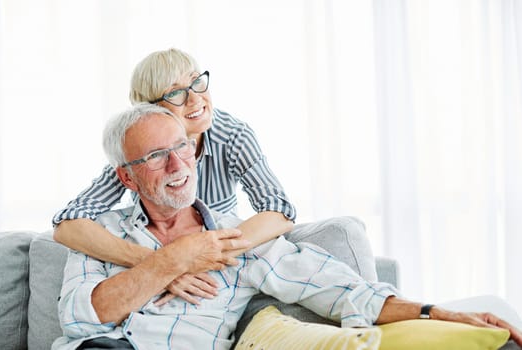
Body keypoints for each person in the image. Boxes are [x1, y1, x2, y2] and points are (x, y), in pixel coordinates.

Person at [53, 104, 522, 350]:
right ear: (126, 176)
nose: (178, 164)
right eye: (156, 156)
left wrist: (439, 312)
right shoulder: (103, 234)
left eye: (181, 147)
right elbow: (79, 316)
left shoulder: (242, 239)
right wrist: (171, 260)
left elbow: (345, 293)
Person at [51, 47, 377, 305]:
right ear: (150, 111)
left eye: (197, 82)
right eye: (176, 93)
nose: (196, 99)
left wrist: (202, 254)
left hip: (214, 271)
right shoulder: (138, 151)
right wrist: (163, 262)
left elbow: (279, 210)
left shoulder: (232, 134)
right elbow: (68, 223)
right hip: (157, 263)